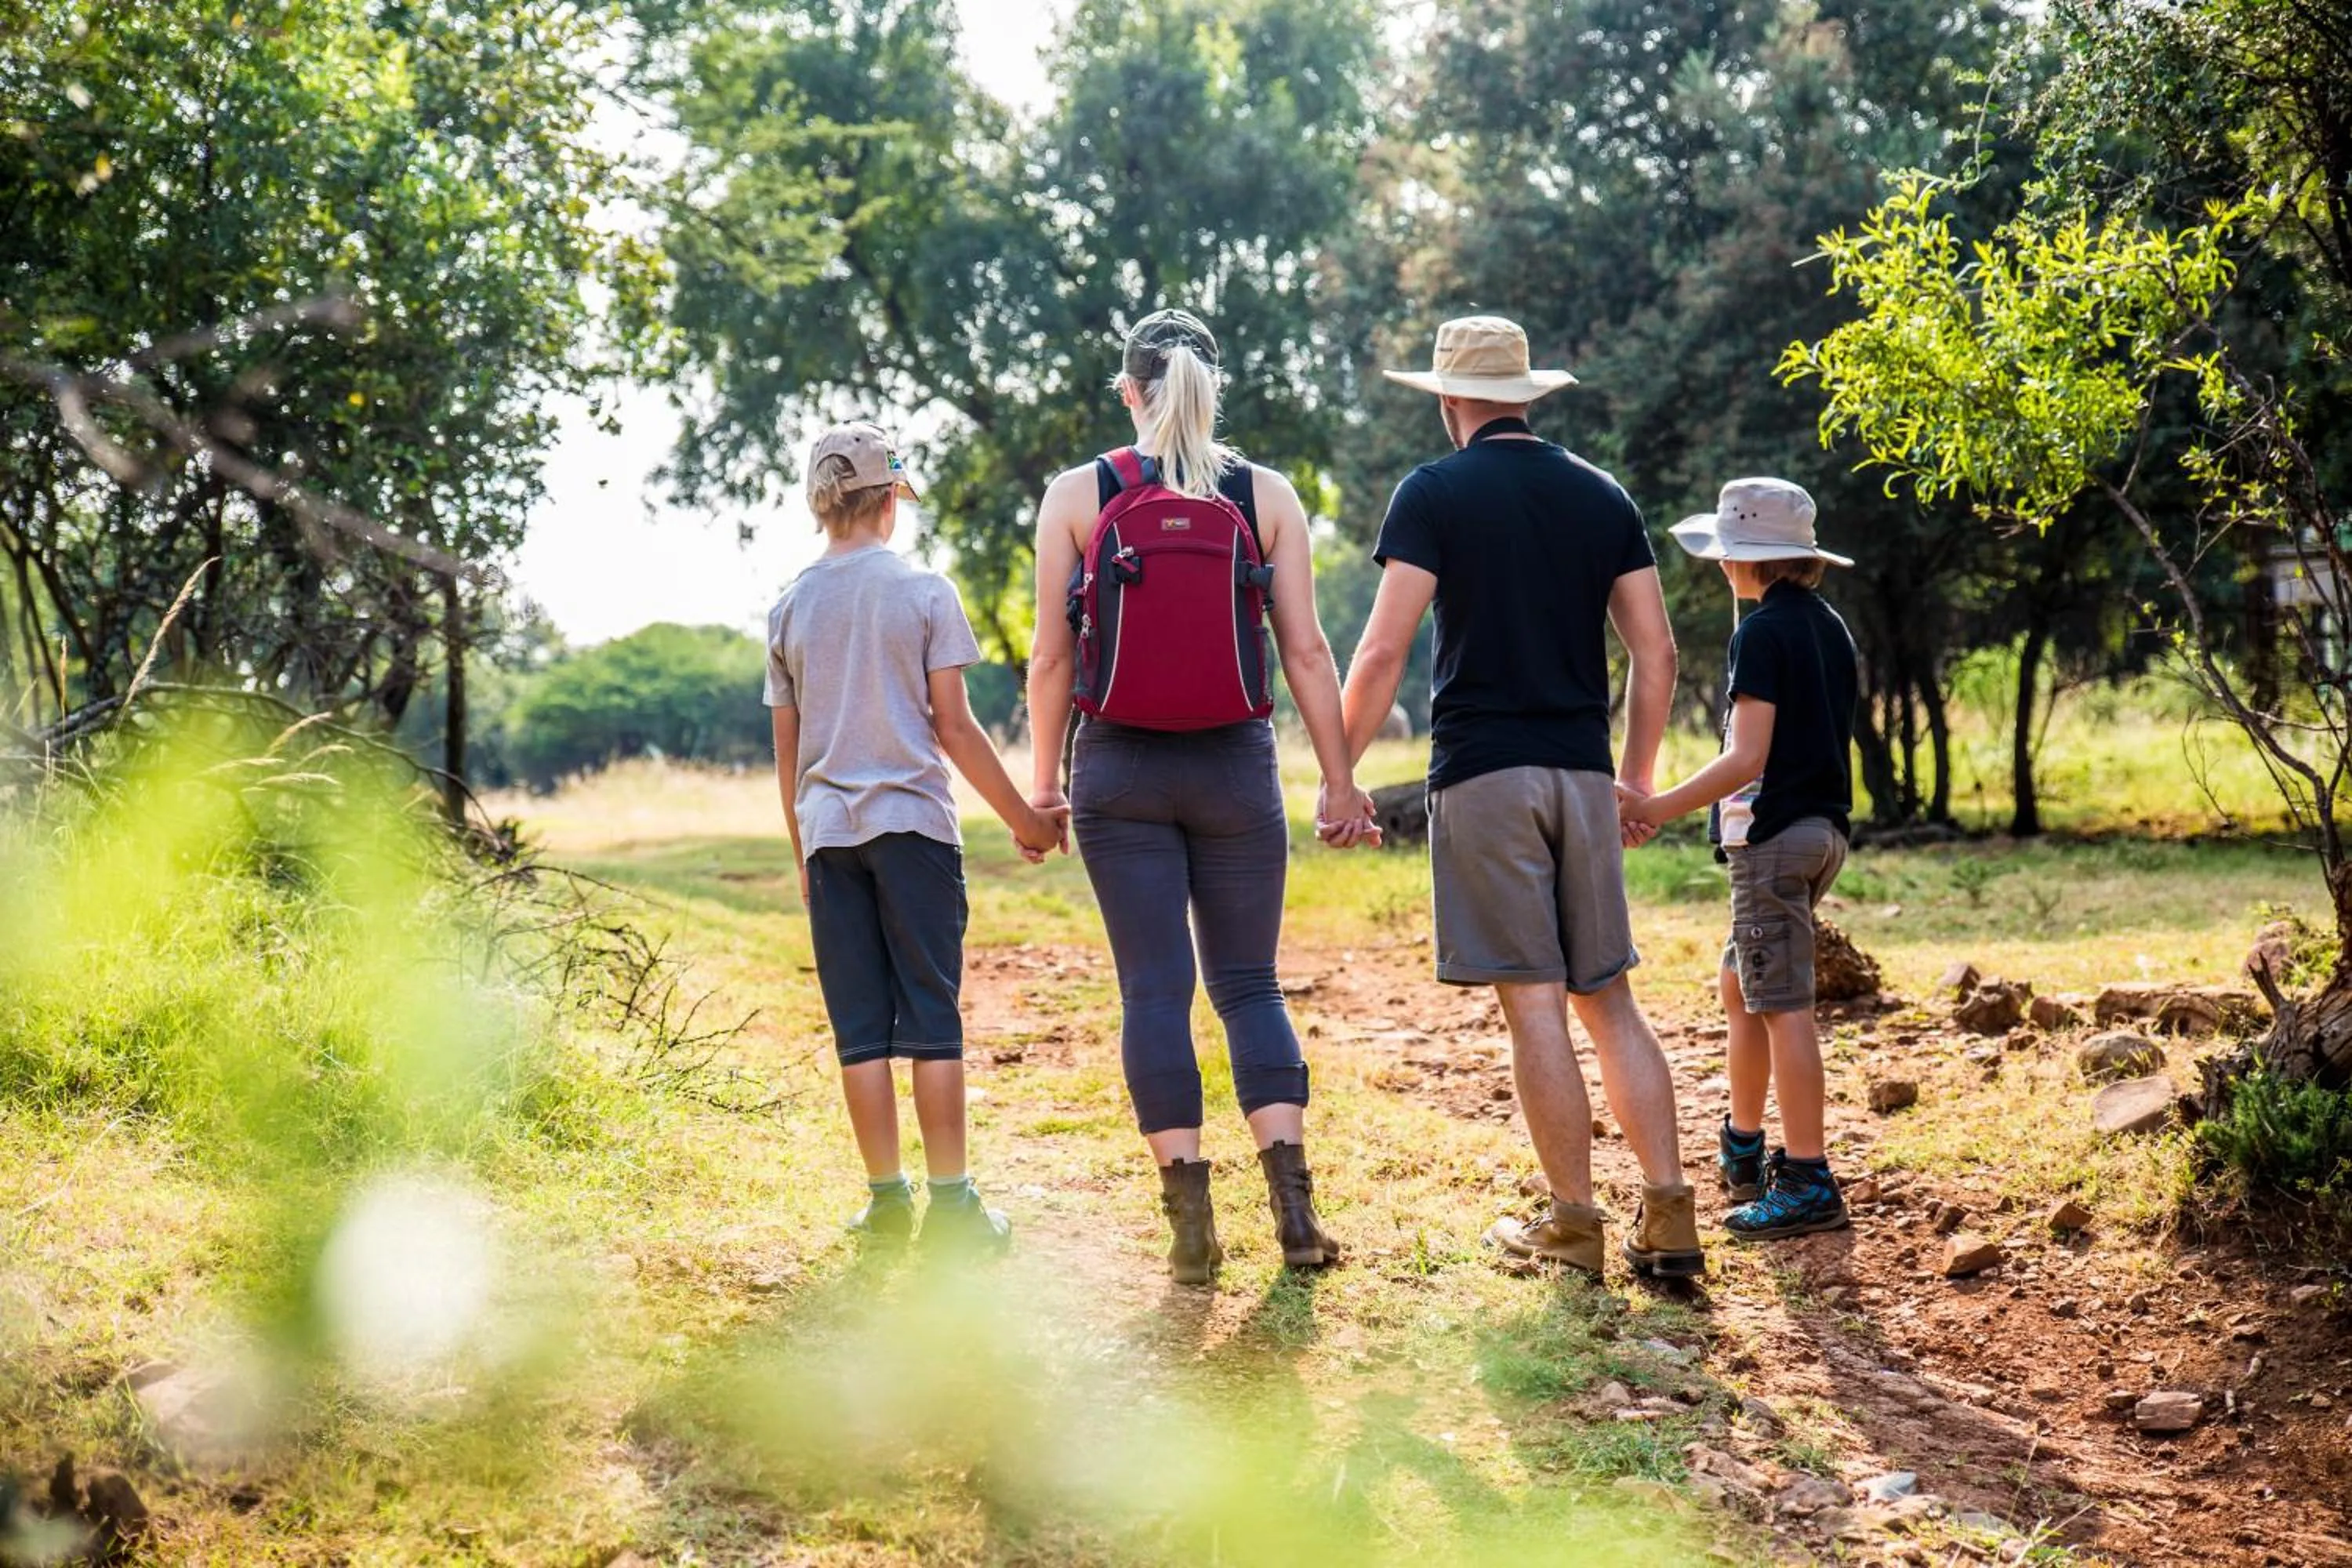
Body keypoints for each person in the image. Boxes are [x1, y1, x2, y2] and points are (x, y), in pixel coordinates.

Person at [1339, 314, 1703, 1281]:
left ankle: (1575, 1225)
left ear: (1452, 402)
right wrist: (1637, 778)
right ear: (1526, 396)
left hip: (1484, 774)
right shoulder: (1602, 493)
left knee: (1534, 1004)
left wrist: (1339, 771)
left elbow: (1381, 651)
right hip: (1582, 772)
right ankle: (1670, 1218)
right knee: (1609, 997)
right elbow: (1657, 651)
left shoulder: (1432, 492)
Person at [1025, 309, 1377, 1286]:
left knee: (1154, 989)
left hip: (1118, 769)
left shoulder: (1078, 494)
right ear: (1213, 390)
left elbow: (1051, 656)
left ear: (1129, 392)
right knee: (1250, 985)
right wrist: (1340, 779)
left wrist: (1042, 783)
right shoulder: (1266, 494)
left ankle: (1190, 1231)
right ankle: (1296, 1217)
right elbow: (1307, 650)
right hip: (1235, 766)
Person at [766, 421, 1069, 1254]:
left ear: (821, 504)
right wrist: (1027, 820)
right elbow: (955, 728)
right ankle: (954, 1207)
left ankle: (886, 1202)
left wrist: (802, 856)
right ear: (889, 501)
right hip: (915, 834)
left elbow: (789, 756)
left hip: (830, 839)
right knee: (932, 1017)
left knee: (860, 1029)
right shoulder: (925, 591)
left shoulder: (788, 606)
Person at [1617, 477, 1859, 1241]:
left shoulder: (1760, 634)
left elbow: (1746, 757)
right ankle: (1744, 1142)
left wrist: (1656, 806)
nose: (1721, 565)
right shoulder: (1828, 626)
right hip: (1822, 834)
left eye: (1727, 552)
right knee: (1741, 984)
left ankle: (1808, 1178)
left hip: (1774, 841)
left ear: (1747, 560)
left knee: (1783, 1003)